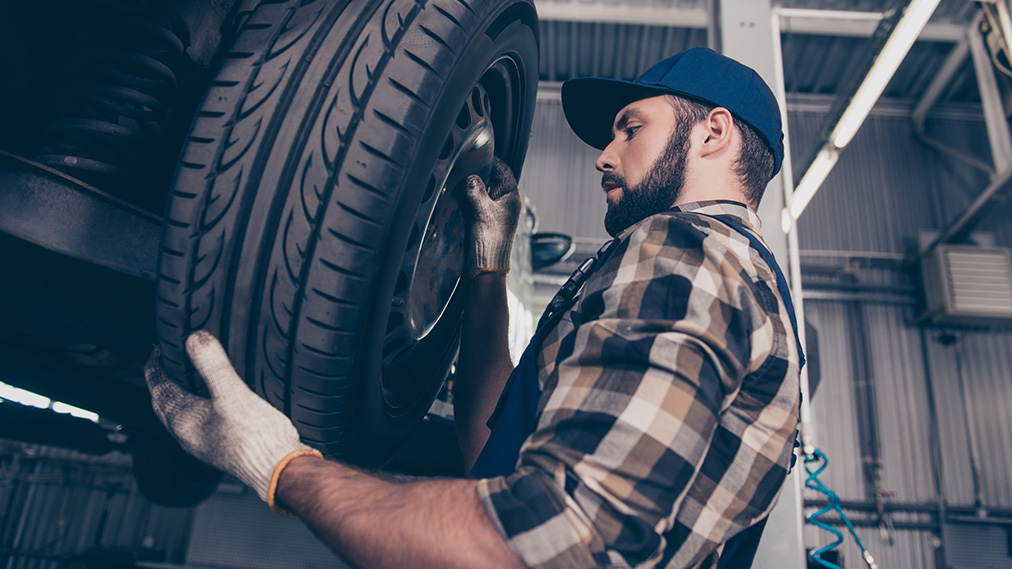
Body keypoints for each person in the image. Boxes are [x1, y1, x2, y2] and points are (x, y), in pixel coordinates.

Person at [144, 47, 803, 569]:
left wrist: (284, 470)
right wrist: (487, 269)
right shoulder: (715, 274)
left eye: (631, 128)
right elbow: (493, 455)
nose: (603, 155)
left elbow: (546, 543)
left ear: (713, 133)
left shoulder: (690, 253)